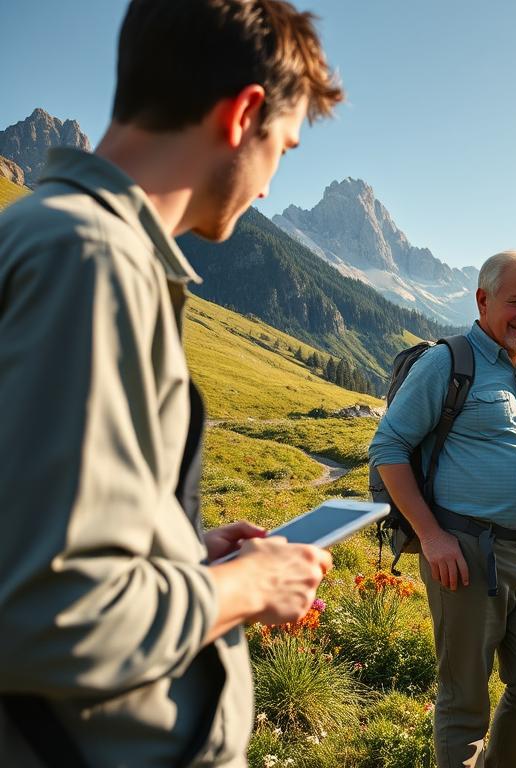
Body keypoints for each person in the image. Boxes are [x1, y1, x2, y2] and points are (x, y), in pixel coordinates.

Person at [0, 1, 343, 764]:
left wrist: (181, 547)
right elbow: (53, 616)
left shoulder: (44, 234)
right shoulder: (89, 262)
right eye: (282, 147)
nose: (267, 188)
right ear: (244, 113)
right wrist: (247, 588)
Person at [369, 250, 516, 768]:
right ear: (483, 300)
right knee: (465, 703)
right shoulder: (447, 364)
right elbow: (388, 447)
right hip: (467, 554)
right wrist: (431, 537)